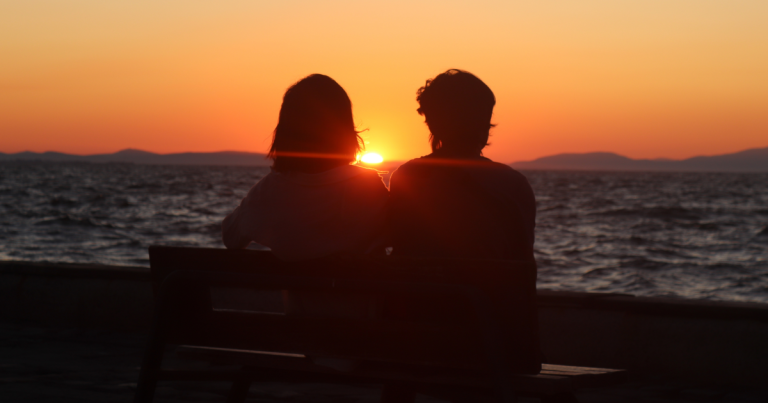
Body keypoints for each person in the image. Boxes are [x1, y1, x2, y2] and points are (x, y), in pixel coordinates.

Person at [222, 74, 388, 261]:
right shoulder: (367, 186)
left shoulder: (269, 191)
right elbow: (402, 238)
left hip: (298, 290)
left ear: (285, 131)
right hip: (357, 289)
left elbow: (231, 237)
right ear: (344, 129)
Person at [388, 69, 536, 261]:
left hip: (421, 289)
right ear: (484, 122)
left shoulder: (408, 176)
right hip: (487, 289)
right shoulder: (513, 184)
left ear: (431, 123)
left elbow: (401, 247)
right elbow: (522, 261)